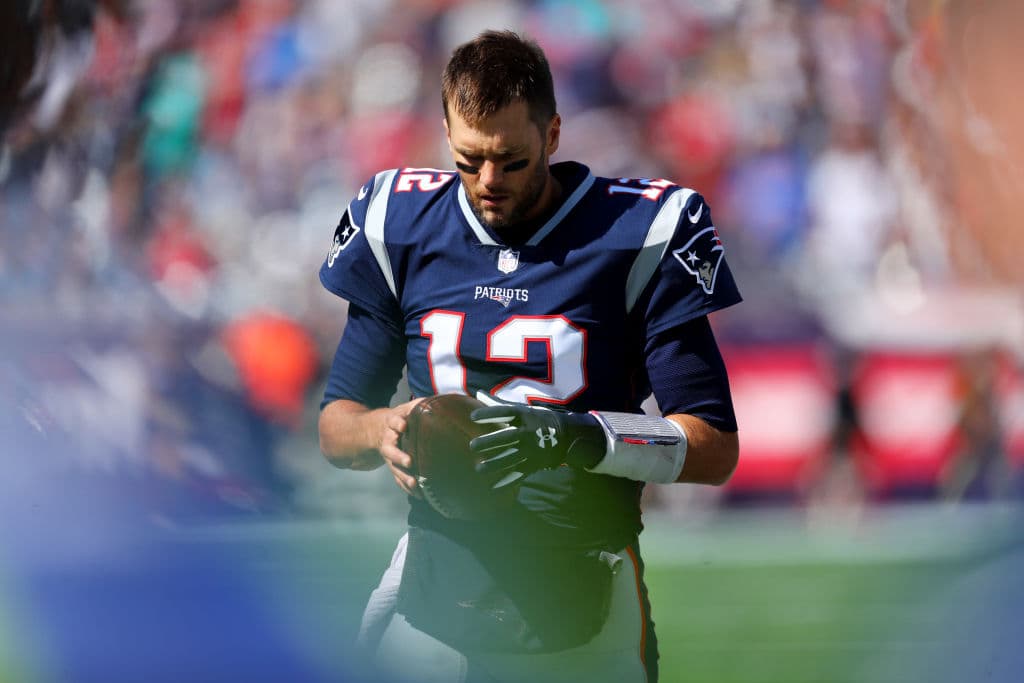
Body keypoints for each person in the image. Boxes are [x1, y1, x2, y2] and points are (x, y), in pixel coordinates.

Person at [317, 30, 741, 683]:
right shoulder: (400, 224)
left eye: (511, 159)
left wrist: (578, 437)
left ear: (551, 135)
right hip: (434, 583)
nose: (488, 181)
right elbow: (337, 426)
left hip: (583, 589)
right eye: (468, 158)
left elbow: (713, 448)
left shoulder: (635, 234)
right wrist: (387, 429)